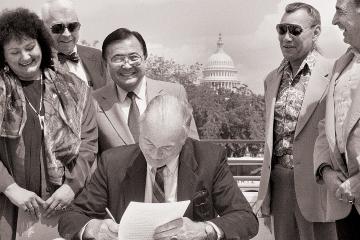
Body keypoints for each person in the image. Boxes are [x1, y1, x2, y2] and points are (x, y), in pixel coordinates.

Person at [58, 94, 258, 240]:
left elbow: (246, 219)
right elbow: (71, 219)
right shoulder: (113, 162)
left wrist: (204, 230)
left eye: (166, 149)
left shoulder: (209, 159)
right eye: (148, 144)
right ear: (140, 128)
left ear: (184, 137)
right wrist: (93, 228)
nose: (154, 155)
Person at [0, 8, 97, 239]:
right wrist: (10, 188)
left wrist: (70, 188)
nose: (25, 57)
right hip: (8, 208)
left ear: (41, 44)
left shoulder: (77, 88)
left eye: (30, 47)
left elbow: (89, 143)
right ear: (3, 56)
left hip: (65, 205)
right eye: (14, 51)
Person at [253, 2, 337, 240]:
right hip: (280, 187)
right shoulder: (271, 79)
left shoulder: (335, 72)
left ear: (316, 32)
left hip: (319, 186)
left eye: (295, 30)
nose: (286, 37)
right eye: (281, 29)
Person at [93, 28, 198, 153]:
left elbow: (193, 148)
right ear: (106, 63)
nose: (127, 65)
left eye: (133, 57)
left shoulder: (174, 93)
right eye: (118, 58)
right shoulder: (93, 101)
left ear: (145, 57)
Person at [313, 0, 360, 239]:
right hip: (346, 202)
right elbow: (325, 127)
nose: (333, 20)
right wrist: (326, 172)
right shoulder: (341, 65)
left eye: (340, 11)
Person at [41, 0, 106, 90]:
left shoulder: (97, 56)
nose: (67, 35)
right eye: (58, 28)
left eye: (72, 26)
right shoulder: (37, 63)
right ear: (43, 29)